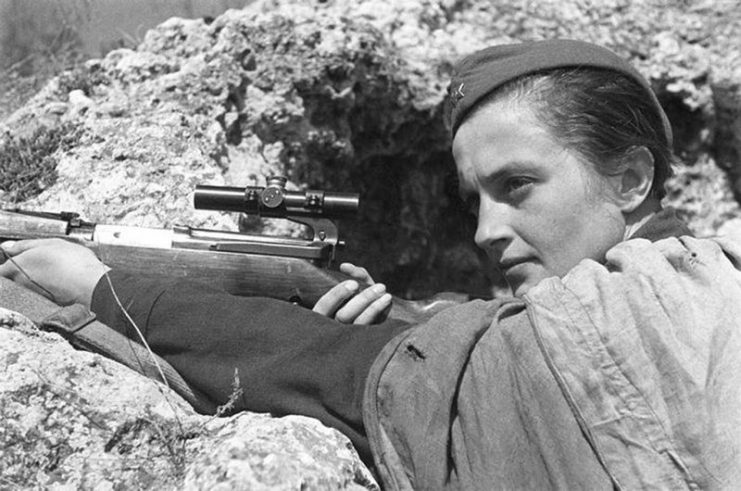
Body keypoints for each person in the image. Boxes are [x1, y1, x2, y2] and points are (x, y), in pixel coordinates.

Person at [2, 39, 740, 489]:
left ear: (631, 179)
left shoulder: (659, 301)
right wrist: (415, 319)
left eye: (517, 186)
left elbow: (353, 374)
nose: (486, 229)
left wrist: (95, 286)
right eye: (472, 198)